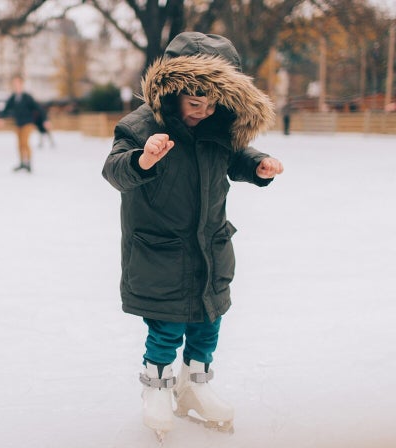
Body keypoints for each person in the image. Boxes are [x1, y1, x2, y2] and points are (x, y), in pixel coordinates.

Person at [101, 32, 284, 440]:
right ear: (173, 91)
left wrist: (257, 165)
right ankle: (158, 389)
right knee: (166, 326)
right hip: (159, 251)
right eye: (195, 103)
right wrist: (142, 159)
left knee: (208, 320)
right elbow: (114, 170)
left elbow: (234, 158)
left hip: (210, 246)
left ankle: (195, 386)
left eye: (212, 103)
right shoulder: (140, 127)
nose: (202, 112)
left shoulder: (219, 127)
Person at [0, 75, 46, 172]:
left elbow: (39, 108)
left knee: (24, 142)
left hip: (27, 123)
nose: (16, 85)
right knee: (19, 144)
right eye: (14, 83)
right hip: (18, 123)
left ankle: (28, 163)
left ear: (21, 84)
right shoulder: (13, 97)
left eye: (18, 83)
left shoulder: (27, 97)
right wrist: (1, 118)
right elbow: (6, 108)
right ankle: (22, 163)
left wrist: (45, 120)